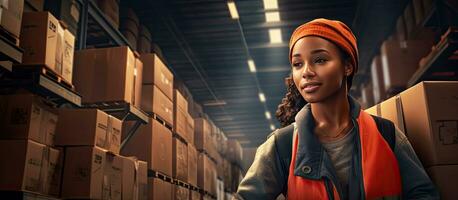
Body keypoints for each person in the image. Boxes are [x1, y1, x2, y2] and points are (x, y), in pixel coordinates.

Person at [234, 18, 439, 200]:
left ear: (348, 66)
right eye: (297, 64)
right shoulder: (282, 146)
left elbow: (423, 194)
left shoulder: (387, 135)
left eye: (320, 60)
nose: (306, 72)